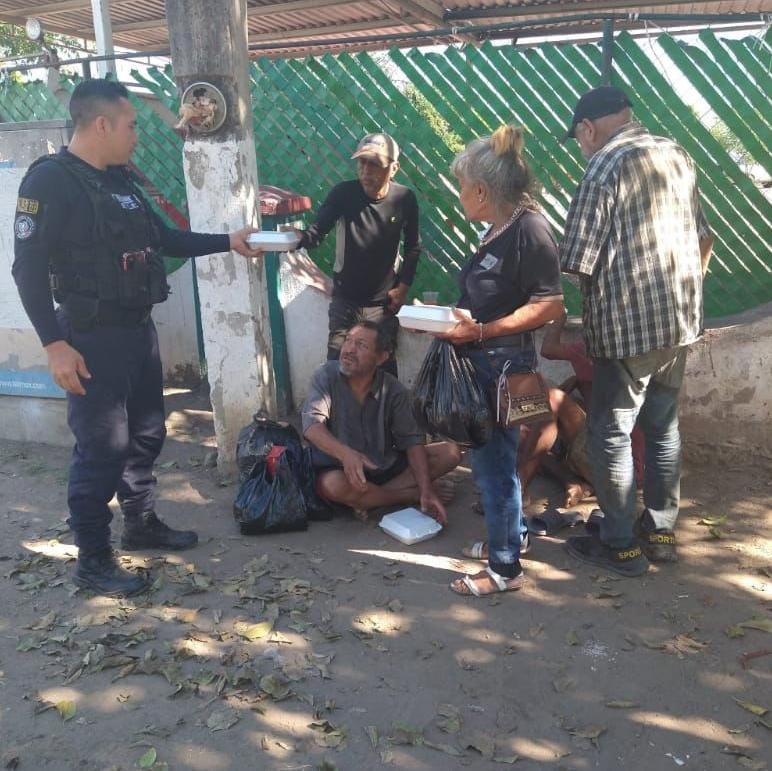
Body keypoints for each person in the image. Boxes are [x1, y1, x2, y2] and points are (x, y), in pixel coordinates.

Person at [12, 79, 263, 597]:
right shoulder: (50, 182)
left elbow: (163, 239)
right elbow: (27, 269)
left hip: (135, 330)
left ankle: (140, 522)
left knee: (148, 433)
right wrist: (54, 345)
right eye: (131, 126)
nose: (137, 136)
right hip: (88, 337)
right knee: (102, 447)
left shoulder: (121, 181)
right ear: (101, 125)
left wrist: (227, 242)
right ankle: (94, 559)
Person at [560, 86, 714, 576]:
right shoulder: (677, 154)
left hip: (628, 330)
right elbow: (703, 236)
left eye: (580, 138)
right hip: (679, 323)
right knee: (663, 426)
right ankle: (661, 531)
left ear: (588, 129)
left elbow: (577, 260)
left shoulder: (605, 164)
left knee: (612, 432)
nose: (583, 146)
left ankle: (621, 545)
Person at [436, 125, 564, 597]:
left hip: (505, 369)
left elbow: (550, 305)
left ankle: (505, 569)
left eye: (462, 187)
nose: (460, 196)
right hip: (487, 363)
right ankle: (512, 539)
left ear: (483, 190)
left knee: (492, 466)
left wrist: (483, 330)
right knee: (499, 462)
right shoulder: (501, 228)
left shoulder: (530, 230)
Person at [302, 321, 460, 521]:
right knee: (332, 485)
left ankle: (369, 499)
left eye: (361, 345)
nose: (349, 350)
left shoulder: (394, 390)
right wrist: (346, 454)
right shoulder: (326, 375)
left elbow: (412, 442)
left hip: (383, 467)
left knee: (450, 452)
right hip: (339, 468)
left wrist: (426, 488)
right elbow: (311, 427)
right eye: (348, 341)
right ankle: (405, 496)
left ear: (381, 357)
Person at [295, 132, 421, 376]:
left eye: (374, 164)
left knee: (383, 371)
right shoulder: (344, 194)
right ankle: (337, 414)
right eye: (361, 163)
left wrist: (403, 287)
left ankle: (384, 415)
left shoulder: (404, 199)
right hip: (346, 301)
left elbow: (413, 246)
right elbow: (316, 233)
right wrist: (294, 238)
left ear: (394, 168)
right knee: (337, 366)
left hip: (382, 304)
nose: (365, 171)